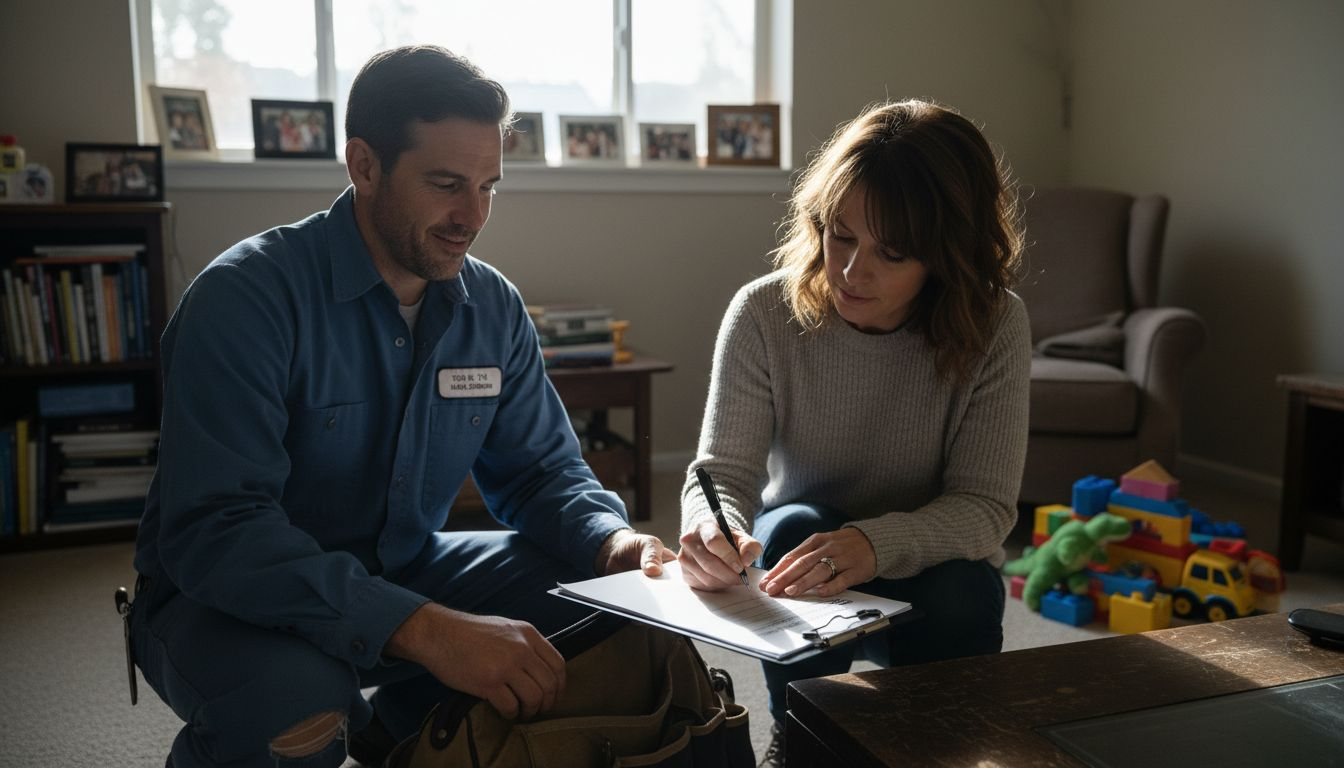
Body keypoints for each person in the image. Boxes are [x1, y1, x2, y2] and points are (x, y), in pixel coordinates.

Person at [130, 44, 672, 768]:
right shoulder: (244, 300)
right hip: (225, 598)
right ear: (363, 165)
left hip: (406, 570)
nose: (472, 216)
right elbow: (219, 532)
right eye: (446, 183)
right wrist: (427, 629)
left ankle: (410, 726)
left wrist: (617, 544)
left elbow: (543, 476)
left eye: (489, 186)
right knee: (301, 712)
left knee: (617, 611)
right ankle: (358, 705)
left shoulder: (494, 309)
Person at [676, 99, 1031, 766]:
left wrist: (873, 545)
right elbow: (722, 473)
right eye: (840, 235)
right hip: (807, 558)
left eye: (890, 253)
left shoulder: (994, 323)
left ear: (947, 256)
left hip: (935, 568)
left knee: (961, 589)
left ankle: (943, 744)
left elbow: (985, 509)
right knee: (788, 533)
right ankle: (802, 739)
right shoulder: (762, 312)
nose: (849, 271)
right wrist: (710, 530)